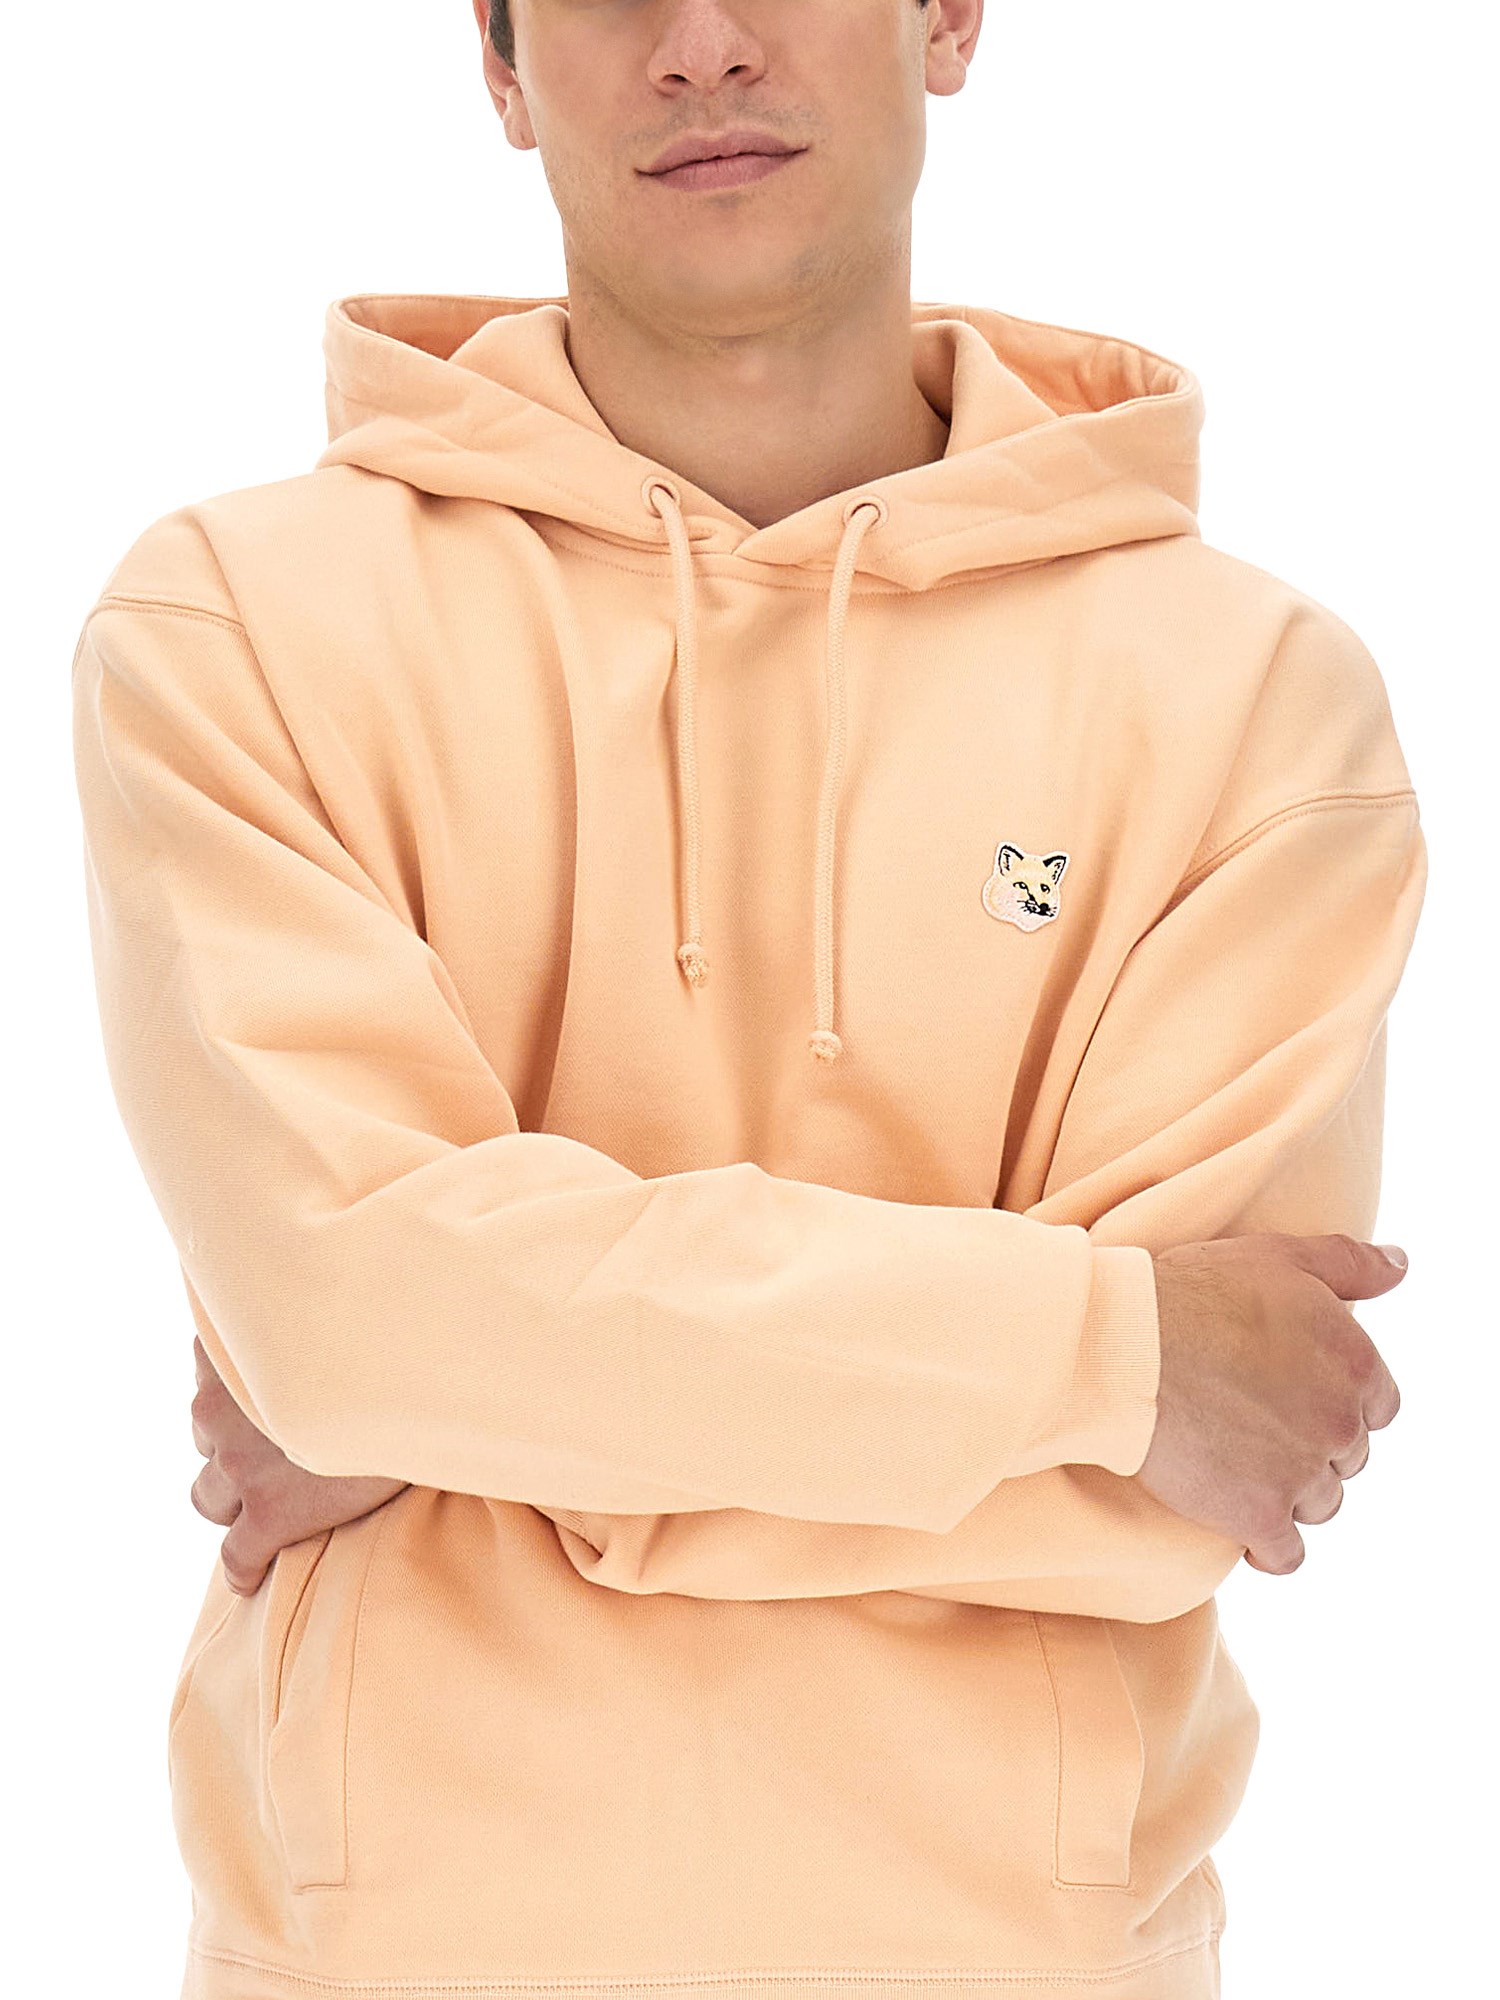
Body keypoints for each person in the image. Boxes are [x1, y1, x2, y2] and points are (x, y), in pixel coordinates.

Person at [69, 2, 1427, 1996]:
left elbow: (1193, 1476)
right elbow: (352, 1318)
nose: (701, 43)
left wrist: (472, 1415)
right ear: (501, 64)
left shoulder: (1253, 702)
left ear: (945, 15)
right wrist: (1102, 1352)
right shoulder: (236, 627)